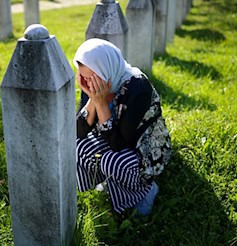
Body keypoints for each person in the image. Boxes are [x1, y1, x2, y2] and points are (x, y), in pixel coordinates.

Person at [74, 38, 172, 216]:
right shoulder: (93, 83)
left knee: (112, 161)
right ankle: (110, 184)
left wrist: (101, 104)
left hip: (144, 150)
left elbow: (119, 145)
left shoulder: (137, 87)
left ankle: (146, 191)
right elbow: (79, 132)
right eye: (84, 78)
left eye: (92, 79)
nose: (88, 84)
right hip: (113, 139)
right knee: (77, 146)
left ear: (106, 70)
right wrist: (92, 99)